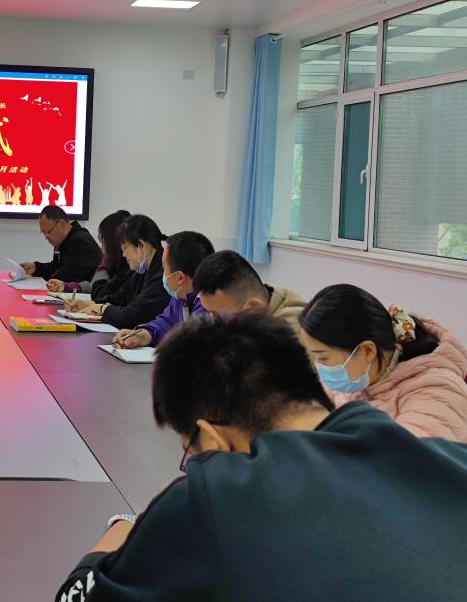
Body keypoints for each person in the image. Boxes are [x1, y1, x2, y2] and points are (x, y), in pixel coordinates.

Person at [56, 314, 467, 602]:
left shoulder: (218, 496)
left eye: (190, 449)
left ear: (214, 439)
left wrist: (124, 530)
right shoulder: (443, 456)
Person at [299, 283, 467, 442]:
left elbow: (404, 458)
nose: (319, 366)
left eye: (323, 357)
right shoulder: (363, 376)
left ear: (367, 351)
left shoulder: (436, 395)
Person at [65, 214, 171, 330]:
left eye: (125, 248)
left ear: (141, 245)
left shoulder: (163, 275)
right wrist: (88, 304)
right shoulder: (143, 269)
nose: (123, 255)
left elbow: (131, 316)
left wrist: (102, 308)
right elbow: (120, 298)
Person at [112, 230, 214, 349]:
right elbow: (165, 323)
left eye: (164, 269)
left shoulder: (210, 306)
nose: (163, 274)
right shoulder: (182, 295)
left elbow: (191, 347)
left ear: (180, 278)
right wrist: (141, 336)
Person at [193, 249, 306, 331]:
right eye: (210, 313)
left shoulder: (292, 331)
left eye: (219, 317)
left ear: (253, 307)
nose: (213, 323)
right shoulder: (264, 298)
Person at [47, 210, 130, 299]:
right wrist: (68, 286)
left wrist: (104, 263)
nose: (102, 247)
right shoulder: (117, 266)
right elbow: (95, 286)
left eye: (103, 241)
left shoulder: (129, 271)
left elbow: (99, 293)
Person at [21, 205, 102, 283]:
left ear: (62, 224)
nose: (46, 237)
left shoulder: (80, 242)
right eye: (43, 233)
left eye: (48, 232)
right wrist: (36, 268)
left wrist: (46, 284)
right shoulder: (63, 241)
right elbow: (56, 267)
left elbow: (67, 276)